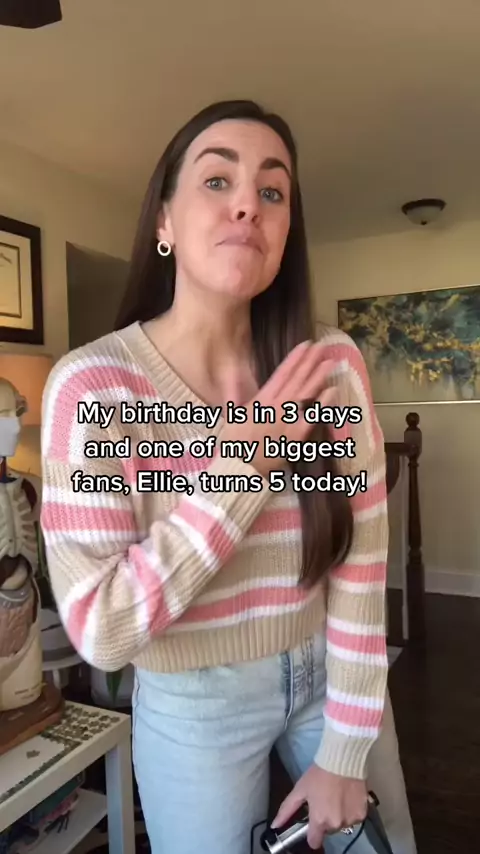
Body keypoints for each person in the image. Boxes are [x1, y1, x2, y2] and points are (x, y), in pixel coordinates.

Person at [40, 99, 416, 854]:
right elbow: (101, 627)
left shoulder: (329, 366)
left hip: (336, 675)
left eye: (272, 191)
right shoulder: (95, 389)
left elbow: (361, 559)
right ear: (164, 220)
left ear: (284, 235)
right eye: (218, 180)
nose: (248, 203)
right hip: (193, 709)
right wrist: (247, 464)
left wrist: (346, 749)